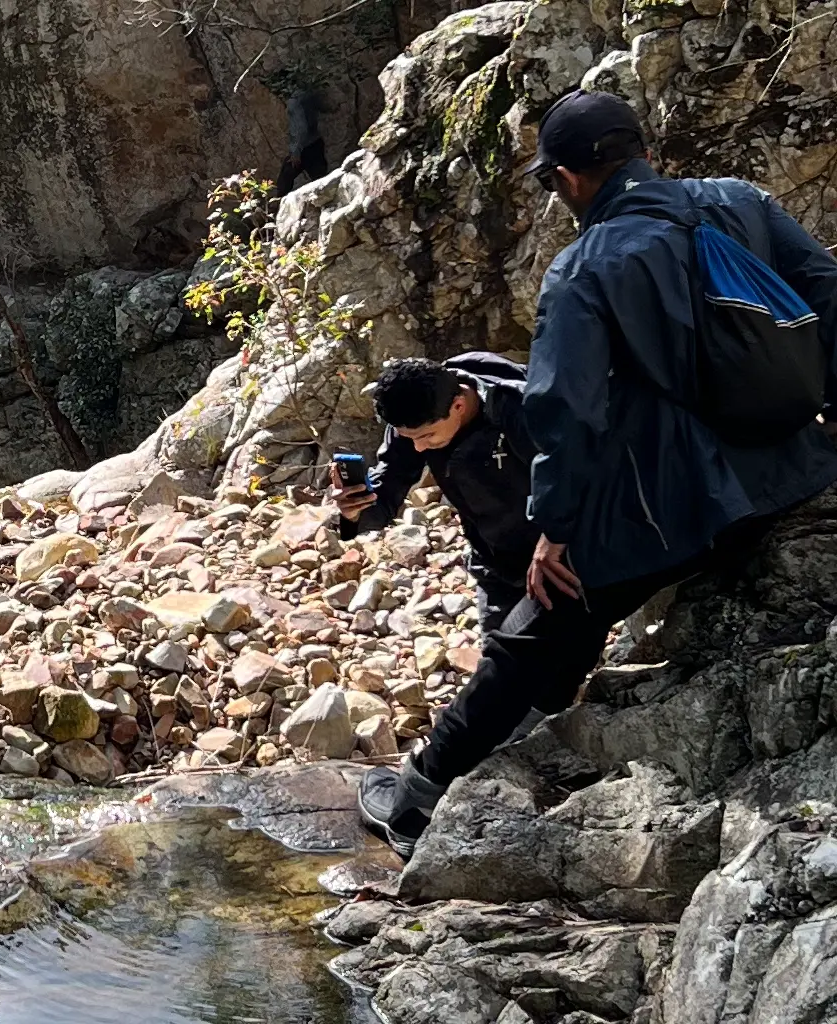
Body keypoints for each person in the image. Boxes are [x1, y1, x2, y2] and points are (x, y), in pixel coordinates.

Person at [357, 89, 837, 859]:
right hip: (796, 468)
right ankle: (537, 728)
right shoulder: (740, 203)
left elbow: (564, 410)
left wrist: (556, 527)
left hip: (679, 505)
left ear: (568, 178)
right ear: (638, 150)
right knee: (565, 625)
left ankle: (414, 800)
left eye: (551, 182)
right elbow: (825, 293)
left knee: (536, 621)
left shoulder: (585, 267)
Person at [333, 352, 539, 639]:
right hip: (495, 560)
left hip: (557, 552)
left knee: (544, 659)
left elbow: (570, 481)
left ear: (459, 405)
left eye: (427, 437)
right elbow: (388, 489)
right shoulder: (416, 417)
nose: (418, 448)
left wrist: (556, 543)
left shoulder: (518, 408)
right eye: (409, 438)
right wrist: (354, 510)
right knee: (500, 659)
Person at [278, 89, 331, 196]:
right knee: (320, 179)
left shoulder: (294, 103)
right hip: (316, 142)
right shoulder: (307, 94)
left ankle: (278, 206)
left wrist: (295, 153)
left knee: (285, 177)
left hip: (304, 148)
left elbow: (300, 129)